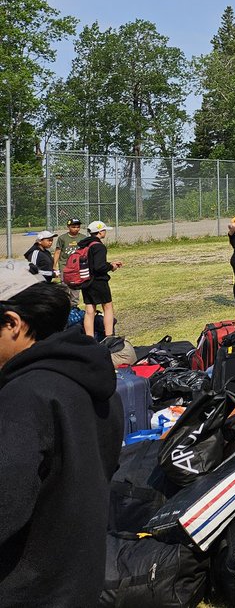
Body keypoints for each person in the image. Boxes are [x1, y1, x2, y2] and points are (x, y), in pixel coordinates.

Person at [0, 263, 123, 606]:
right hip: (78, 579)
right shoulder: (93, 381)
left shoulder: (24, 397)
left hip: (24, 590)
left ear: (12, 324)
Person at [77, 221, 122, 338]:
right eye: (104, 230)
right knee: (107, 307)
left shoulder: (85, 244)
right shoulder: (99, 246)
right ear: (100, 232)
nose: (105, 232)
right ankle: (109, 336)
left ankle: (89, 337)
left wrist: (108, 263)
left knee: (89, 310)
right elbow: (99, 266)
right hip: (98, 281)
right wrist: (111, 266)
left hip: (86, 280)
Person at [51, 218, 83, 308]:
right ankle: (65, 305)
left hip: (77, 267)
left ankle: (74, 306)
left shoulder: (83, 238)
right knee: (65, 286)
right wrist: (54, 265)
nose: (76, 229)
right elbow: (58, 252)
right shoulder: (62, 238)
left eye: (78, 227)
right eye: (73, 227)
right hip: (65, 266)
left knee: (76, 286)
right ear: (68, 227)